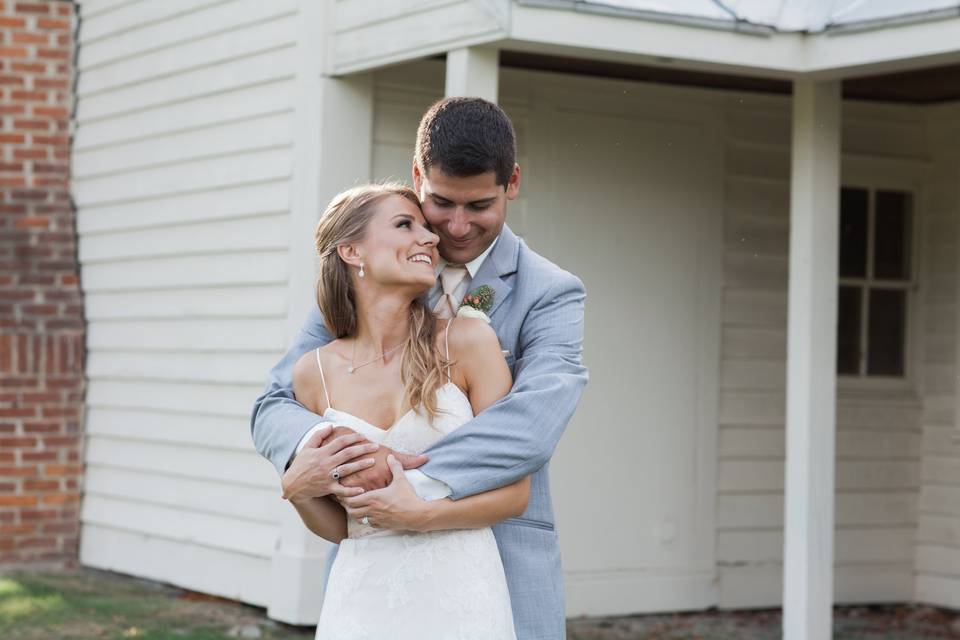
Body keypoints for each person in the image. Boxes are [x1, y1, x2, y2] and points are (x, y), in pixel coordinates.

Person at [251, 97, 588, 639]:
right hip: (375, 571)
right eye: (439, 203)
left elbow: (529, 429)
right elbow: (276, 404)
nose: (454, 228)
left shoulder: (550, 293)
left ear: (513, 183)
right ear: (416, 177)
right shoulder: (368, 278)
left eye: (479, 205)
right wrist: (320, 458)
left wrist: (395, 470)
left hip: (491, 562)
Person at [288, 182, 524, 638]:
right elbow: (343, 528)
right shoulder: (311, 373)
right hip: (360, 601)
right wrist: (298, 489)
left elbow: (515, 494)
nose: (432, 237)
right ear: (352, 251)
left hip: (460, 597)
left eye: (424, 227)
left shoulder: (467, 343)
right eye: (404, 224)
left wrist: (420, 515)